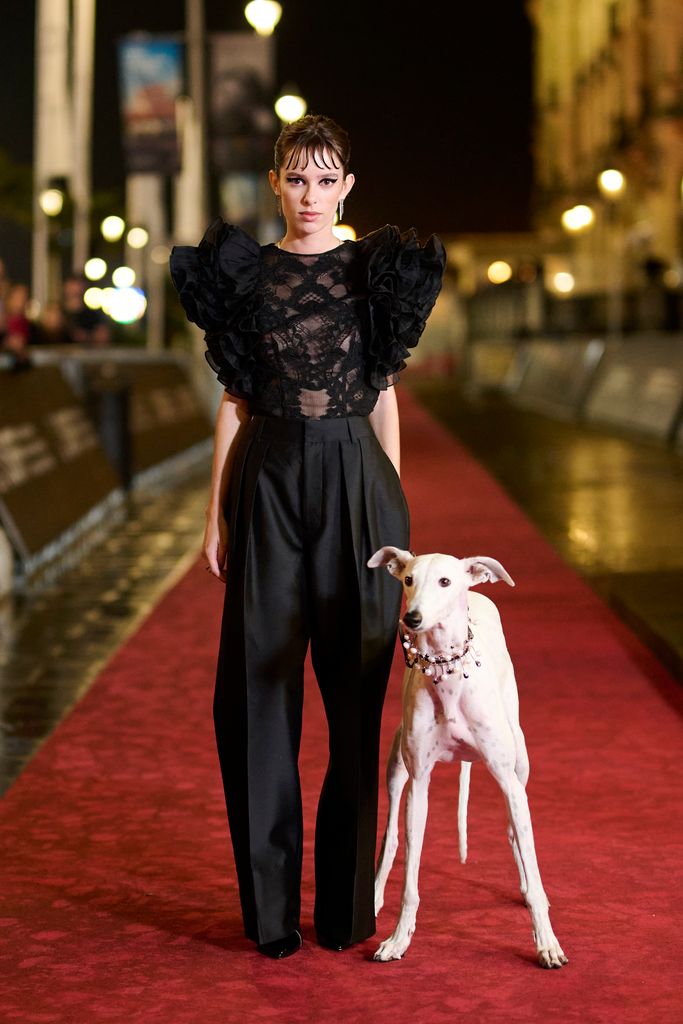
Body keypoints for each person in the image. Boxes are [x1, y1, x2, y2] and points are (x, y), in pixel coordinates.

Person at [169, 114, 445, 960]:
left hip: (358, 481)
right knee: (257, 693)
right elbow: (234, 401)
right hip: (268, 480)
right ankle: (270, 915)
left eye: (326, 180)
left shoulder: (375, 274)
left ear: (348, 187)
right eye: (296, 179)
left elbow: (384, 390)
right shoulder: (243, 277)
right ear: (275, 182)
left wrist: (390, 506)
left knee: (358, 697)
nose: (310, 197)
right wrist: (215, 513)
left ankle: (346, 912)